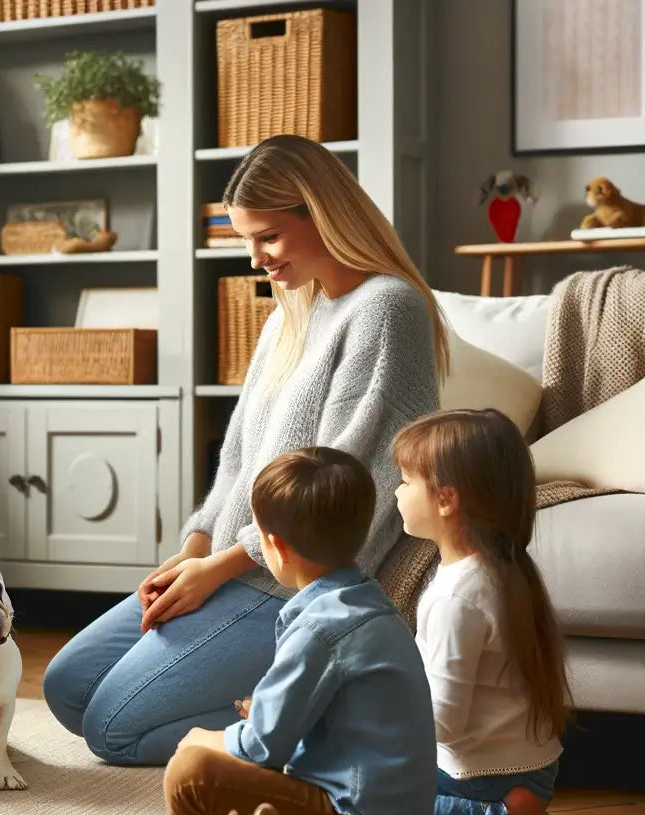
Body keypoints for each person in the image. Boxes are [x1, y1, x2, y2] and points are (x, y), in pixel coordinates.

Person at [43, 133, 449, 766]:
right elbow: (238, 456)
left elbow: (347, 483)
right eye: (246, 241)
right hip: (235, 563)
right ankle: (281, 699)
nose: (257, 258)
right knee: (66, 689)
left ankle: (317, 714)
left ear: (323, 215)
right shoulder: (291, 310)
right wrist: (196, 548)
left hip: (291, 583)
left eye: (269, 237)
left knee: (111, 731)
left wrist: (224, 567)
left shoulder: (387, 309)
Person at [119, 448, 436, 815]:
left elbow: (262, 748)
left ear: (277, 548)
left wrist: (202, 738)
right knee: (225, 746)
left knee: (191, 768)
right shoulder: (366, 602)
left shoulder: (318, 628)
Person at [393, 408, 574, 815]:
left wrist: (371, 717)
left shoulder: (457, 596)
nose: (397, 493)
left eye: (405, 481)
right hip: (527, 771)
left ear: (446, 499)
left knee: (354, 801)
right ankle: (517, 808)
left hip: (481, 781)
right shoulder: (505, 567)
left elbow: (443, 724)